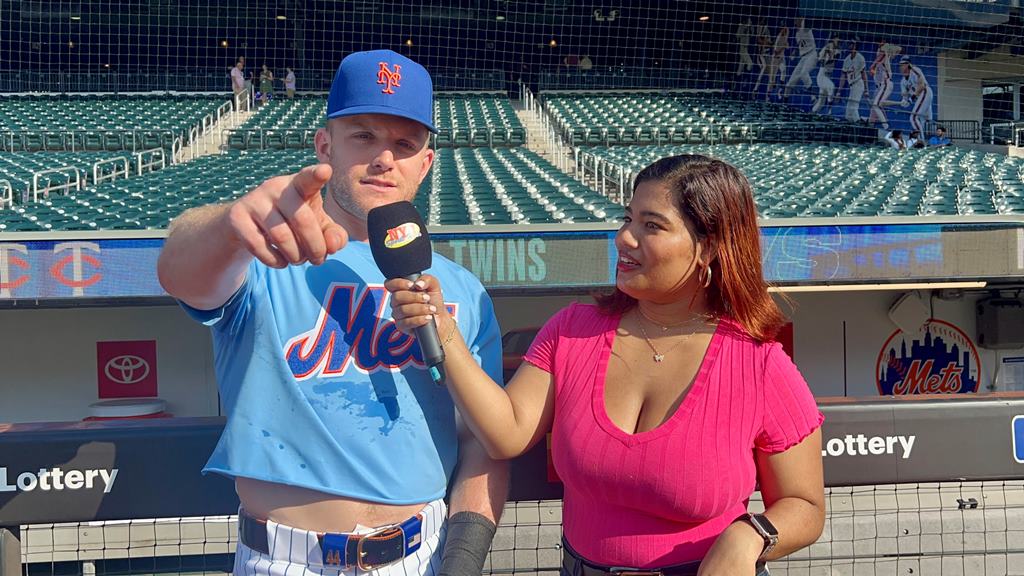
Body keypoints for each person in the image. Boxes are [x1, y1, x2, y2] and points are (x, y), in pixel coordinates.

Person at [386, 155, 826, 576]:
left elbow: (804, 506)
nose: (625, 238)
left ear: (708, 247)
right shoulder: (572, 330)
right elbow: (506, 433)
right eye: (627, 219)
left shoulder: (761, 365)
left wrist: (749, 536)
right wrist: (442, 328)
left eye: (651, 226)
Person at [157, 50, 508, 576]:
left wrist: (463, 557)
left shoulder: (461, 288)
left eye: (405, 144)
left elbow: (480, 441)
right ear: (326, 145)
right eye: (363, 136)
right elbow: (179, 270)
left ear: (426, 163)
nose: (385, 158)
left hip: (423, 553)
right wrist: (229, 225)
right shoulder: (265, 252)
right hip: (284, 559)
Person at [868, 42, 902, 130]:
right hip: (879, 87)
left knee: (877, 105)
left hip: (885, 84)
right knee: (876, 107)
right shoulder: (880, 60)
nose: (878, 52)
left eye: (880, 50)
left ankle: (886, 126)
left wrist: (889, 48)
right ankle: (872, 125)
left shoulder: (884, 56)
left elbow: (898, 48)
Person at [899, 56, 933, 137]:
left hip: (925, 93)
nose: (901, 66)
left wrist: (912, 98)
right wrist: (904, 102)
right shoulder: (902, 82)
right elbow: (905, 99)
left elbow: (922, 85)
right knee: (923, 120)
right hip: (920, 99)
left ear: (909, 65)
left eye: (904, 64)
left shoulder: (915, 70)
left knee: (913, 117)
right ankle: (923, 140)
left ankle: (921, 141)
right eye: (900, 65)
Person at [783, 18, 816, 99]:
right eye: (795, 22)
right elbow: (799, 46)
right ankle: (785, 100)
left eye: (797, 21)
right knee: (790, 83)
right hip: (803, 58)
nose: (796, 23)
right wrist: (794, 52)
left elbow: (807, 23)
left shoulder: (805, 29)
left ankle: (813, 95)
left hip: (812, 55)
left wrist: (802, 19)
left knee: (803, 73)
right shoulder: (797, 34)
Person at [839, 39, 867, 122]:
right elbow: (843, 76)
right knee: (848, 111)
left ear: (855, 46)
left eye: (852, 44)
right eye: (850, 44)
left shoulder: (860, 58)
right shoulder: (847, 60)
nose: (850, 46)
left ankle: (858, 125)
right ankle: (850, 126)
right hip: (852, 86)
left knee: (853, 108)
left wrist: (866, 89)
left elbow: (864, 74)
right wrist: (839, 91)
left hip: (858, 83)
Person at [811, 35, 840, 114]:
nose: (837, 40)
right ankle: (829, 112)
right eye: (836, 38)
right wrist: (825, 56)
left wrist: (831, 56)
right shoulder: (826, 47)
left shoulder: (837, 50)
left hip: (828, 76)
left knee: (821, 102)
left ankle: (812, 113)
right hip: (822, 75)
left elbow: (836, 58)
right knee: (831, 87)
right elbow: (820, 60)